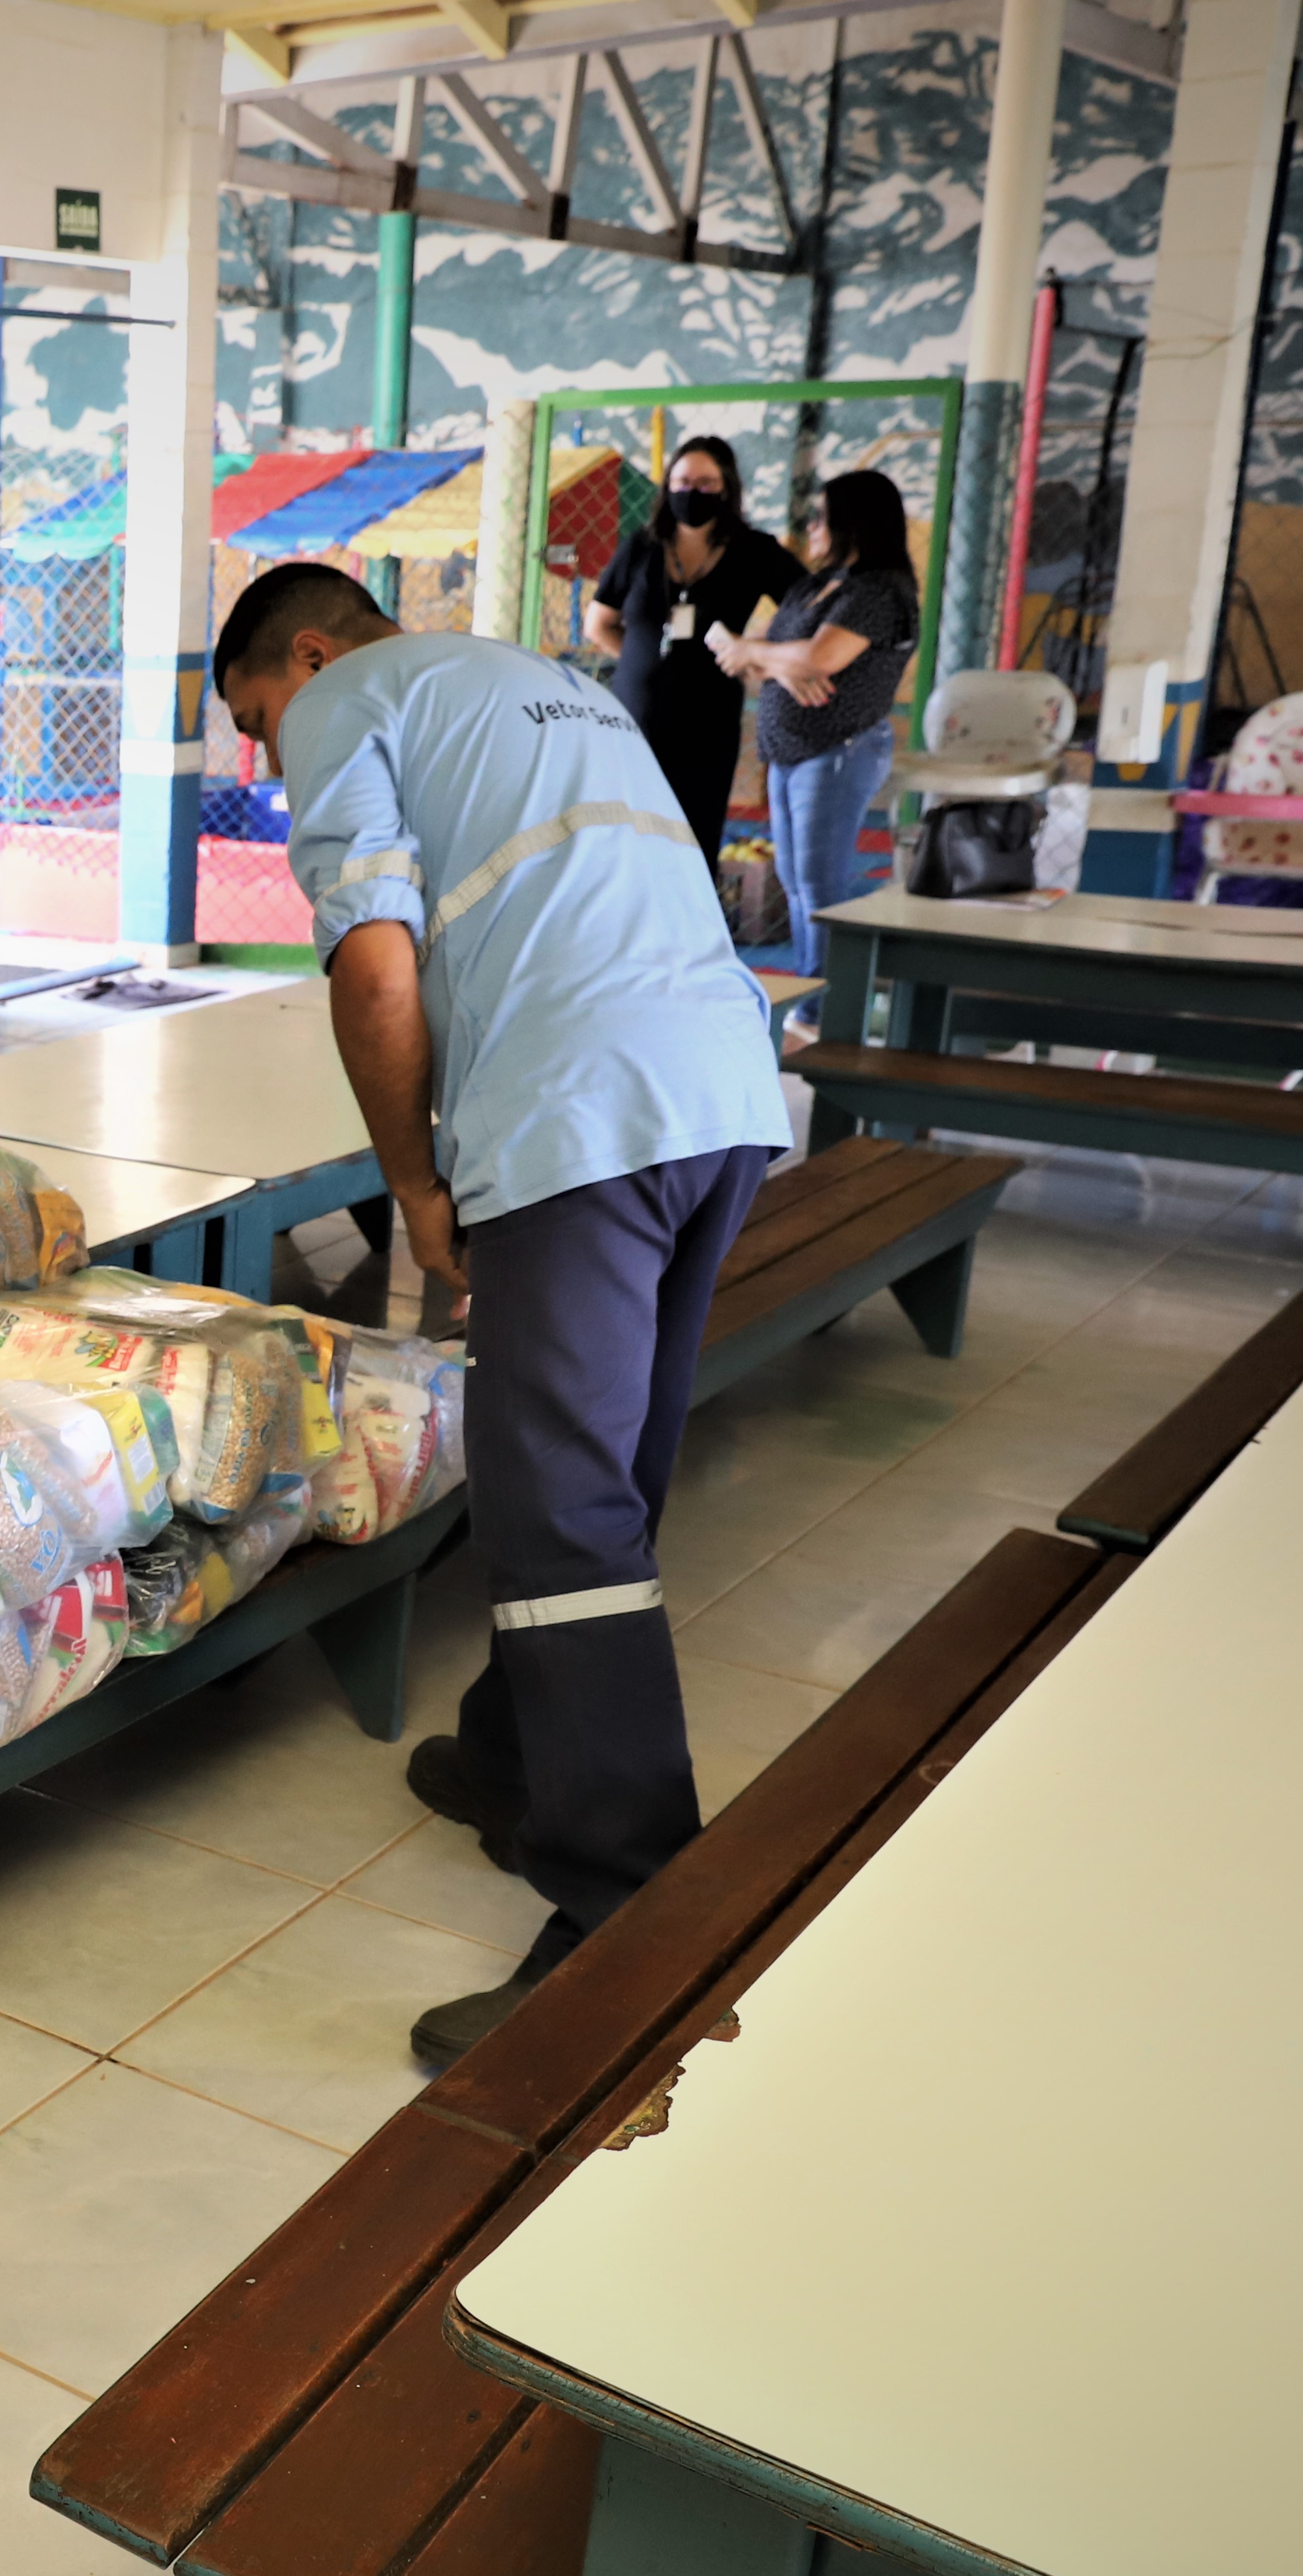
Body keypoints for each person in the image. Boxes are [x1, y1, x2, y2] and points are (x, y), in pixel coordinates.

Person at [213, 563, 792, 2063]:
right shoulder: (539, 682)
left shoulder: (350, 697)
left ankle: (625, 1913)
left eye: (256, 722)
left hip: (576, 1118)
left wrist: (409, 1182)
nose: (267, 759)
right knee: (608, 1461)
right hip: (719, 1098)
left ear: (312, 653)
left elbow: (375, 965)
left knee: (553, 1508)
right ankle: (512, 1754)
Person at [708, 466, 921, 976]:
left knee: (819, 882)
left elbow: (820, 658)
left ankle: (822, 1007)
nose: (812, 528)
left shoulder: (878, 592)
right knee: (795, 878)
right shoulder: (818, 585)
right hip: (791, 752)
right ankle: (812, 992)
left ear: (855, 523)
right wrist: (777, 659)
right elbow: (774, 658)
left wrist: (758, 652)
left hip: (838, 750)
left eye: (822, 517)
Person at [584, 434, 806, 866]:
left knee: (693, 839)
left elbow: (810, 610)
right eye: (683, 481)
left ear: (727, 489)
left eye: (706, 484)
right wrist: (642, 662)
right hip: (635, 720)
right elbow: (600, 623)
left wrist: (758, 651)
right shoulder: (641, 547)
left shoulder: (755, 550)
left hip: (708, 722)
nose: (692, 493)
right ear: (667, 486)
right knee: (624, 835)